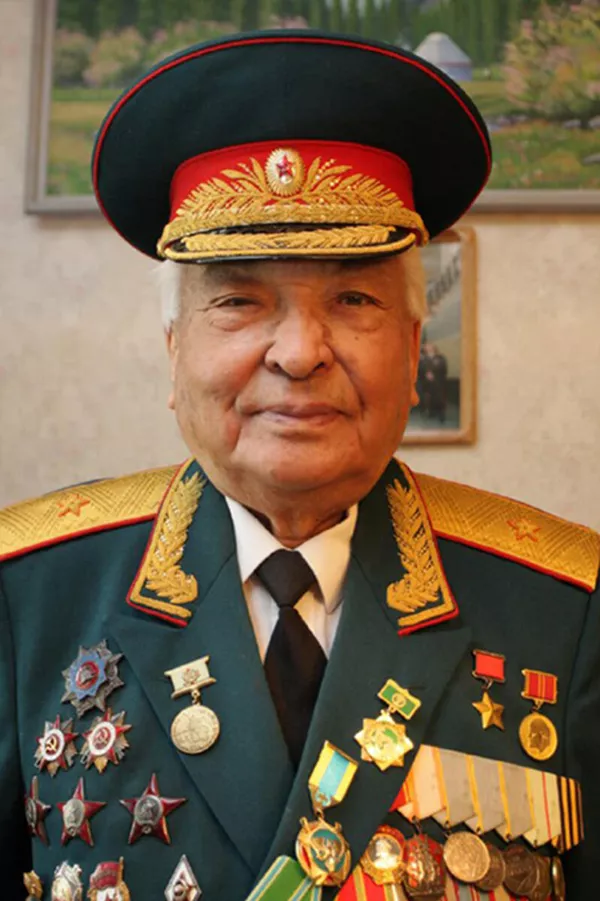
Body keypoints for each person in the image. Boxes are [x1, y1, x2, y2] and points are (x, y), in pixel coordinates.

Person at [2, 29, 598, 901]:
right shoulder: (28, 599)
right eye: (239, 301)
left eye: (352, 298)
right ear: (174, 349)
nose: (299, 351)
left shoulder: (567, 614)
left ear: (414, 347)